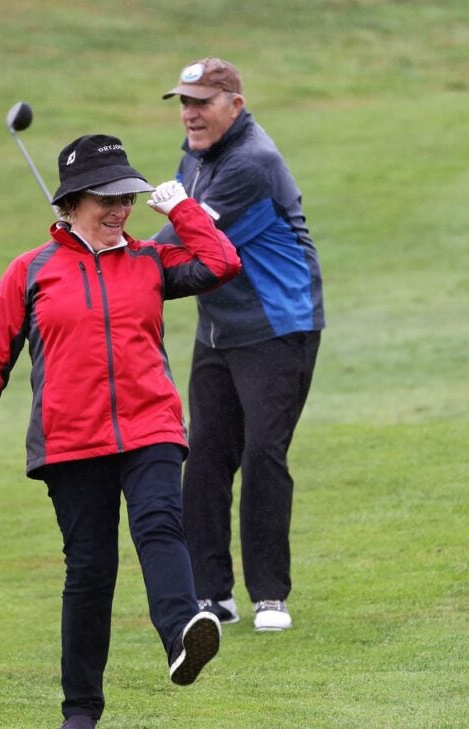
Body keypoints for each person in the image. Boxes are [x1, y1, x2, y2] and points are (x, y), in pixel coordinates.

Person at [0, 134, 241, 729]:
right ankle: (80, 710)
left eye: (127, 194)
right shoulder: (32, 271)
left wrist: (181, 208)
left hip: (150, 427)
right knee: (91, 569)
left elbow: (222, 263)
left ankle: (183, 634)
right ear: (72, 202)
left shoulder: (150, 260)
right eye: (107, 196)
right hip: (71, 442)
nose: (121, 207)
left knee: (160, 523)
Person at [154, 57, 325, 632]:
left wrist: (113, 266)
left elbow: (185, 241)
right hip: (219, 328)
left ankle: (269, 594)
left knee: (262, 454)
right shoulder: (195, 156)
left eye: (202, 101)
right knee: (204, 455)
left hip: (278, 326)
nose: (190, 113)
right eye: (184, 101)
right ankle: (211, 594)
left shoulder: (253, 162)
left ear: (235, 104)